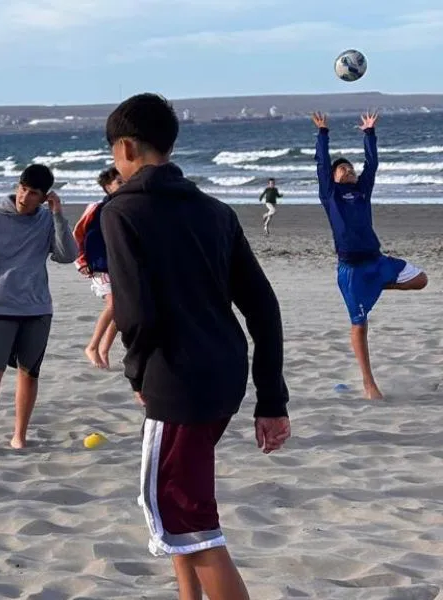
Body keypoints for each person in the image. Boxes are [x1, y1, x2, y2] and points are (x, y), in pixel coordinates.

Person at [102, 93, 290, 599]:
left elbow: (134, 312)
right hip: (224, 377)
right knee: (176, 521)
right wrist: (271, 399)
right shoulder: (215, 211)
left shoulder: (121, 211)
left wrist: (137, 374)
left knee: (190, 523)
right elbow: (264, 309)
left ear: (124, 148)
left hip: (176, 382)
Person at [312, 111, 428, 400]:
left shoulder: (362, 191)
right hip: (351, 270)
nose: (348, 170)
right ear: (334, 177)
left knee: (421, 279)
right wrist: (323, 133)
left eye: (350, 167)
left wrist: (369, 133)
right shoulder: (330, 195)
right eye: (342, 169)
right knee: (359, 325)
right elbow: (322, 164)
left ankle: (379, 285)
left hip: (377, 261)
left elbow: (372, 165)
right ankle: (368, 384)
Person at [0, 164, 78, 456]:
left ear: (44, 198)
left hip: (37, 309)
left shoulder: (45, 220)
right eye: (22, 188)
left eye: (33, 194)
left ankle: (19, 436)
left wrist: (57, 215)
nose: (24, 197)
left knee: (29, 373)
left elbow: (67, 255)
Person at [74, 167, 125, 368]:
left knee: (122, 310)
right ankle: (93, 347)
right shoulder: (96, 208)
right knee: (113, 305)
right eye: (119, 182)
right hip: (98, 266)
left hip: (118, 267)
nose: (124, 185)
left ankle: (104, 350)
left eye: (125, 182)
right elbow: (79, 235)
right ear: (107, 186)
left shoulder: (126, 208)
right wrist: (82, 261)